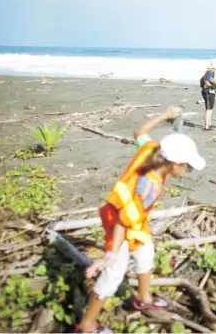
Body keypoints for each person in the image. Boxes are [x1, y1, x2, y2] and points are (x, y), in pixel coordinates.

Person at [75, 107, 206, 333]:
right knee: (112, 275)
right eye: (188, 167)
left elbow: (140, 132)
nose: (189, 172)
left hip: (132, 218)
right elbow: (122, 222)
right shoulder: (147, 187)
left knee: (146, 252)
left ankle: (144, 298)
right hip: (118, 218)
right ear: (174, 164)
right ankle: (86, 326)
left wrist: (166, 115)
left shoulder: (151, 150)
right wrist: (110, 254)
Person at [201, 59, 216, 131]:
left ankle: (209, 123)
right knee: (208, 109)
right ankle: (206, 126)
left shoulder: (212, 71)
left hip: (211, 92)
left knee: (210, 108)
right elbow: (206, 82)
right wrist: (213, 87)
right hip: (207, 92)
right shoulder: (209, 71)